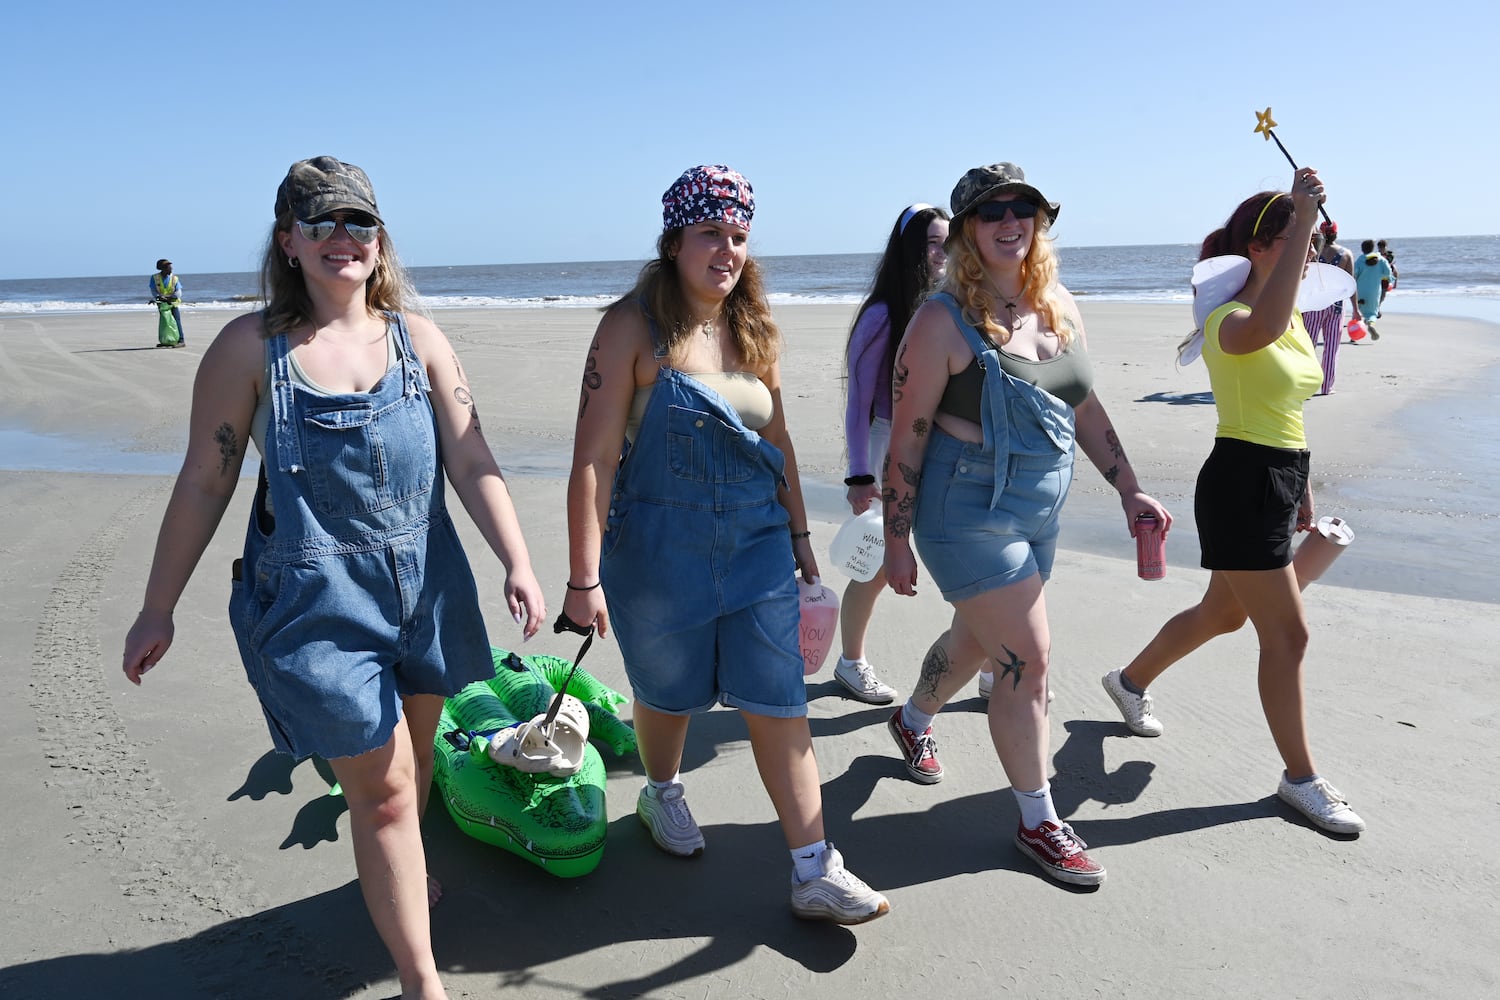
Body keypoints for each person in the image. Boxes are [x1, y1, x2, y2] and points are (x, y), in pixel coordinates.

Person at [122, 156, 546, 1000]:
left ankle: (400, 872)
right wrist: (155, 606)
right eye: (320, 224)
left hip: (426, 586)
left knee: (414, 765)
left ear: (380, 240)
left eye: (358, 222)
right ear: (288, 241)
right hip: (316, 601)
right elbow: (206, 480)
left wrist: (520, 560)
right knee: (385, 790)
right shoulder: (250, 351)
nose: (341, 238)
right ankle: (422, 983)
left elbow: (470, 455)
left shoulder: (420, 340)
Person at [564, 165, 889, 924]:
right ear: (675, 238)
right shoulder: (630, 328)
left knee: (780, 701)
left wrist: (802, 536)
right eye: (711, 232)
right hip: (656, 550)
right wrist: (584, 579)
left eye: (739, 235)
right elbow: (593, 457)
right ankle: (663, 791)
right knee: (666, 694)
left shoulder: (753, 327)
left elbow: (776, 440)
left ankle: (815, 867)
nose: (727, 249)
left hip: (758, 545)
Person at [882, 162, 1171, 886]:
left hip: (1041, 506)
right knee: (1029, 658)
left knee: (982, 643)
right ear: (967, 235)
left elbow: (1084, 404)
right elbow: (907, 438)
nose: (1011, 221)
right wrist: (895, 538)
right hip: (966, 511)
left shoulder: (1059, 304)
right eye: (991, 212)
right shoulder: (939, 321)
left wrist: (1130, 487)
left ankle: (912, 720)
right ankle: (1039, 821)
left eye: (1024, 209)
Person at [1101, 172, 1368, 837]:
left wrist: (1302, 486)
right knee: (1290, 634)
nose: (1308, 255)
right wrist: (1305, 213)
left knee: (1222, 615)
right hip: (1240, 485)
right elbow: (1267, 324)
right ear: (1258, 246)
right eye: (1294, 243)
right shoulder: (1229, 320)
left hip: (1276, 478)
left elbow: (1288, 405)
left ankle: (1128, 683)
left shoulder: (1291, 319)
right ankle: (1299, 780)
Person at [835, 202, 950, 704]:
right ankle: (850, 662)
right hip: (886, 444)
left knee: (963, 554)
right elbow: (858, 402)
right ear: (909, 250)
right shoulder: (882, 316)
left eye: (950, 244)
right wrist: (860, 474)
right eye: (932, 244)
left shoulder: (945, 307)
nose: (942, 254)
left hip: (939, 443)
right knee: (878, 563)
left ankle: (990, 665)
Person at [1301, 221, 1356, 391]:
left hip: (1314, 304)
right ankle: (1327, 386)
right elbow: (1350, 285)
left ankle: (1306, 386)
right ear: (1336, 234)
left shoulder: (1312, 253)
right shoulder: (1346, 254)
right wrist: (1356, 310)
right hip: (1337, 306)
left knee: (1308, 346)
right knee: (1332, 348)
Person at [1353, 238, 1393, 335]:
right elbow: (1388, 273)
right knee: (1372, 313)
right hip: (1374, 292)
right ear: (1373, 248)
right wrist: (1383, 277)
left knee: (1358, 312)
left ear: (1362, 249)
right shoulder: (1381, 260)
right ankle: (1370, 324)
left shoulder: (1360, 260)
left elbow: (1354, 274)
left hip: (1360, 291)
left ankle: (1354, 334)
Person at [151, 258, 186, 347]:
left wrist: (167, 297)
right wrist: (158, 297)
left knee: (176, 320)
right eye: (169, 267)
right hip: (161, 302)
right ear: (163, 268)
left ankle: (181, 341)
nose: (171, 269)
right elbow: (153, 291)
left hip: (173, 302)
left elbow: (178, 293)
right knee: (165, 321)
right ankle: (166, 340)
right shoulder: (155, 278)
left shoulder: (174, 278)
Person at [1377, 238, 1399, 311]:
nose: (1380, 249)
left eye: (1382, 248)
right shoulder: (1376, 256)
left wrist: (1395, 282)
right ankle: (1376, 309)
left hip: (1386, 278)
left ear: (1385, 247)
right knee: (1378, 295)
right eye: (1379, 248)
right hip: (1378, 278)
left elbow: (1392, 268)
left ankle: (1377, 308)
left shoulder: (1389, 255)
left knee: (1383, 296)